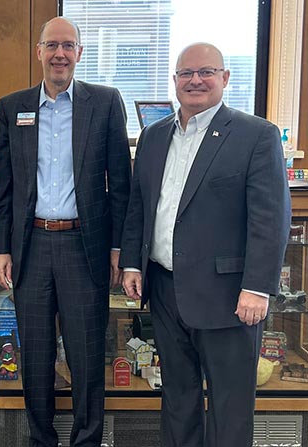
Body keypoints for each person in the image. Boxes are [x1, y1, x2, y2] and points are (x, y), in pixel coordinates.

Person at [120, 43, 291, 447]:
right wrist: (132, 263)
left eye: (206, 72)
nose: (195, 80)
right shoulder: (154, 136)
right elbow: (139, 205)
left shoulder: (256, 135)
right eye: (186, 73)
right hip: (165, 290)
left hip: (229, 297)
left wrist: (257, 286)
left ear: (225, 78)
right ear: (175, 80)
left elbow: (271, 218)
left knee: (230, 406)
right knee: (178, 401)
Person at [0, 17, 131, 447]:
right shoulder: (13, 107)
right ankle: (41, 440)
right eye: (52, 45)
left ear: (80, 53)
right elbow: (3, 186)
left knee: (87, 356)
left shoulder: (104, 103)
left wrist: (118, 246)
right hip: (30, 247)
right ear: (38, 51)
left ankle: (87, 440)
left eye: (68, 45)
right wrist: (0, 248)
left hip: (83, 247)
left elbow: (121, 183)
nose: (60, 54)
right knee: (36, 358)